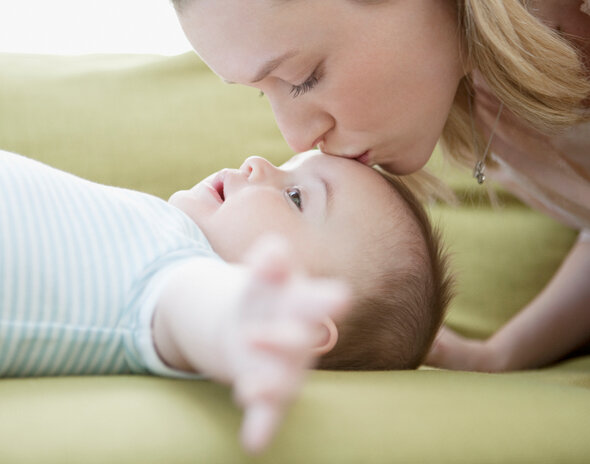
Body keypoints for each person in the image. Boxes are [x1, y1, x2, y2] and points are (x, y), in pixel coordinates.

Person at [150, 0, 590, 373]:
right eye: (263, 94)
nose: (297, 139)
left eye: (303, 78)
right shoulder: (476, 84)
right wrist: (499, 355)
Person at [0, 149, 450, 453]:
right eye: (284, 164)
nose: (256, 163)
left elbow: (194, 307)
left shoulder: (182, 271)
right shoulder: (164, 232)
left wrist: (243, 324)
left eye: (295, 197)